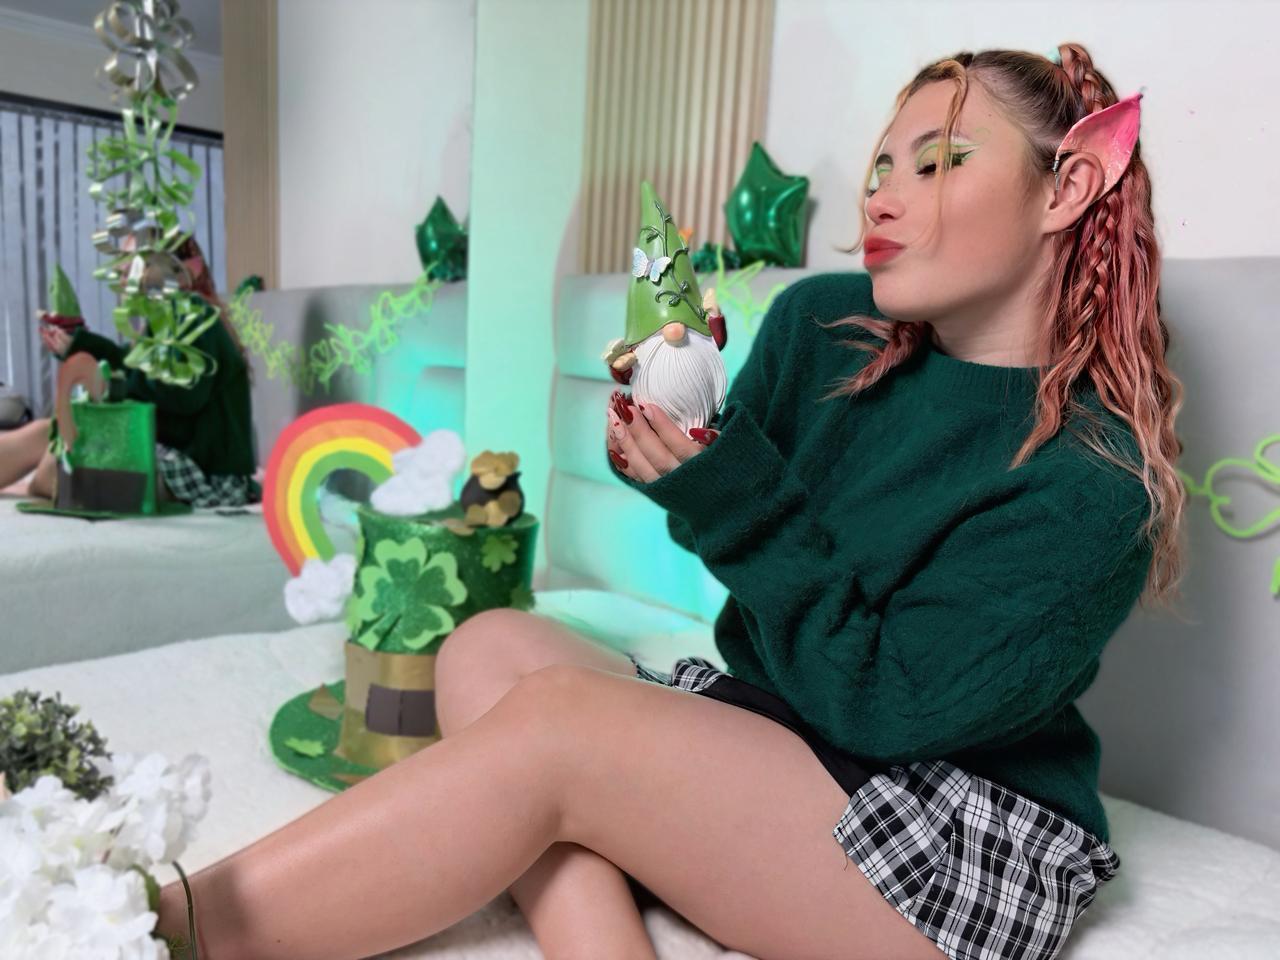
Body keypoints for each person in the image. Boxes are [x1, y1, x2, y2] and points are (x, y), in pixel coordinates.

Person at [151, 43, 1184, 960]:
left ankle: (152, 932)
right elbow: (727, 536)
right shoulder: (826, 324)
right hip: (789, 730)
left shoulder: (1093, 480)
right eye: (880, 167)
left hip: (947, 829)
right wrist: (675, 458)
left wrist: (733, 494)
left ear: (1066, 188)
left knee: (557, 727)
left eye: (938, 163)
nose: (878, 198)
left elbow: (884, 708)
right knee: (488, 647)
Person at [0, 236, 258, 508]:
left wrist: (105, 373)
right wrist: (79, 346)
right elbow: (129, 364)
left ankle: (43, 486)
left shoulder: (195, 315)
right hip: (169, 452)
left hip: (200, 471)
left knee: (52, 471)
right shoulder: (163, 320)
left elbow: (179, 393)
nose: (122, 273)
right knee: (46, 432)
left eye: (132, 263)